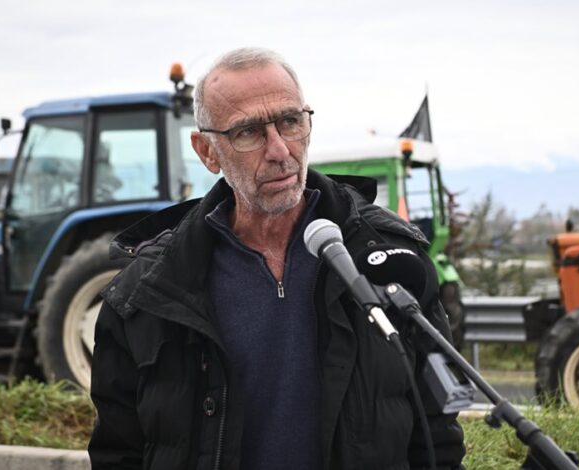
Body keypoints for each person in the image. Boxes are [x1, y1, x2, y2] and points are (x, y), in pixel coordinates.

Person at [88, 47, 465, 470]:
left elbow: (437, 435)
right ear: (207, 151)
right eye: (248, 132)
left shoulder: (388, 259)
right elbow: (117, 453)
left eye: (290, 121)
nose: (280, 150)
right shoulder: (149, 291)